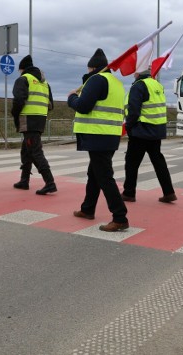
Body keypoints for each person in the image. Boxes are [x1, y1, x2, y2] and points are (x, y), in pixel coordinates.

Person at [67, 48, 129, 232]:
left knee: (104, 177)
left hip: (97, 135)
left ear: (92, 68)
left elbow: (84, 107)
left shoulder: (96, 80)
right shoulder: (117, 83)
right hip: (110, 135)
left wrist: (72, 98)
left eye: (88, 69)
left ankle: (120, 217)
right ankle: (87, 209)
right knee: (94, 174)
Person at [122, 70, 176, 203]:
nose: (133, 73)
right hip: (156, 131)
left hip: (141, 130)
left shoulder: (139, 85)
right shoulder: (157, 85)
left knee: (131, 163)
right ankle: (169, 192)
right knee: (158, 162)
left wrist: (128, 126)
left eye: (135, 71)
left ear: (138, 73)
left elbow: (134, 110)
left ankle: (129, 193)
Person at [11, 55, 57, 195]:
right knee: (26, 150)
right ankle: (24, 180)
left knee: (35, 152)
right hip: (40, 120)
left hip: (28, 120)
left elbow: (19, 100)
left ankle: (50, 183)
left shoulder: (23, 79)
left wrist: (15, 114)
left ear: (22, 69)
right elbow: (51, 105)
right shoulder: (44, 83)